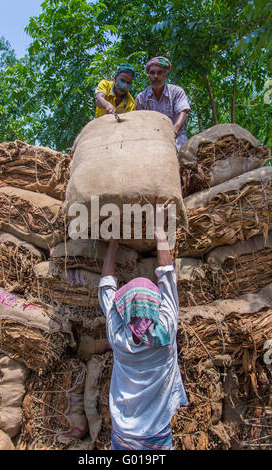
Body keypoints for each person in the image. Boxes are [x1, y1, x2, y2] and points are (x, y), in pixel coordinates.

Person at [98, 198, 188, 450]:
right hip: (156, 436)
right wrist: (160, 230)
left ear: (124, 309)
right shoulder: (166, 331)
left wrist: (114, 243)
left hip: (123, 435)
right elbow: (167, 275)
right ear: (155, 307)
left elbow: (106, 284)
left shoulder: (119, 337)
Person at [135, 56, 190, 151]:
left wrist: (174, 130)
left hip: (176, 135)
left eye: (159, 72)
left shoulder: (177, 92)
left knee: (184, 155)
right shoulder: (141, 98)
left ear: (166, 75)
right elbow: (139, 121)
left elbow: (183, 111)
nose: (155, 76)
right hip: (152, 137)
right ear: (149, 76)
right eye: (152, 73)